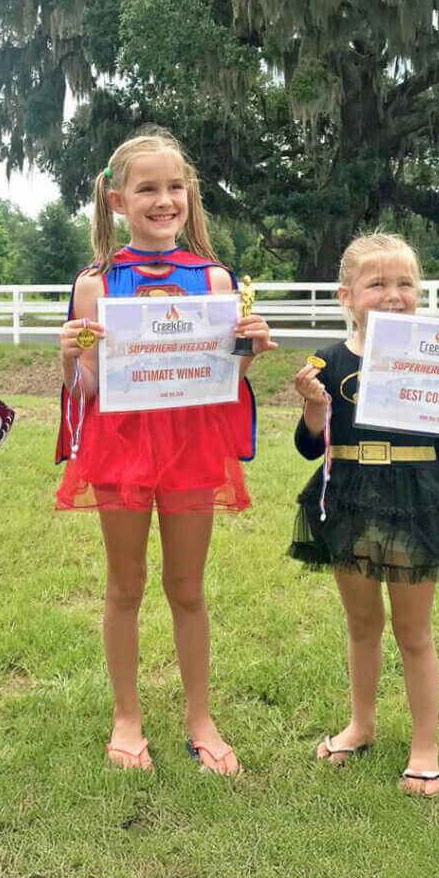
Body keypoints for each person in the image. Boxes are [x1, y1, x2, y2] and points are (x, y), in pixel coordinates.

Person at [55, 128, 276, 775]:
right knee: (125, 584)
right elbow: (87, 386)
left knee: (187, 586)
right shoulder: (95, 283)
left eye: (174, 187)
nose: (163, 199)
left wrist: (246, 352)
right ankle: (127, 719)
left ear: (189, 195)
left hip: (188, 447)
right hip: (120, 445)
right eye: (147, 188)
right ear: (118, 200)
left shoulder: (214, 277)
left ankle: (200, 719)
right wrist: (70, 357)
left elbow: (221, 382)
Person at [289, 232, 439, 796]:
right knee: (361, 624)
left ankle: (425, 744)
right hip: (349, 494)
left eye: (406, 284)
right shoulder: (327, 360)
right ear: (345, 296)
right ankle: (362, 724)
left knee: (412, 629)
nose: (395, 295)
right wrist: (312, 406)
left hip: (419, 496)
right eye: (378, 284)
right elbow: (310, 446)